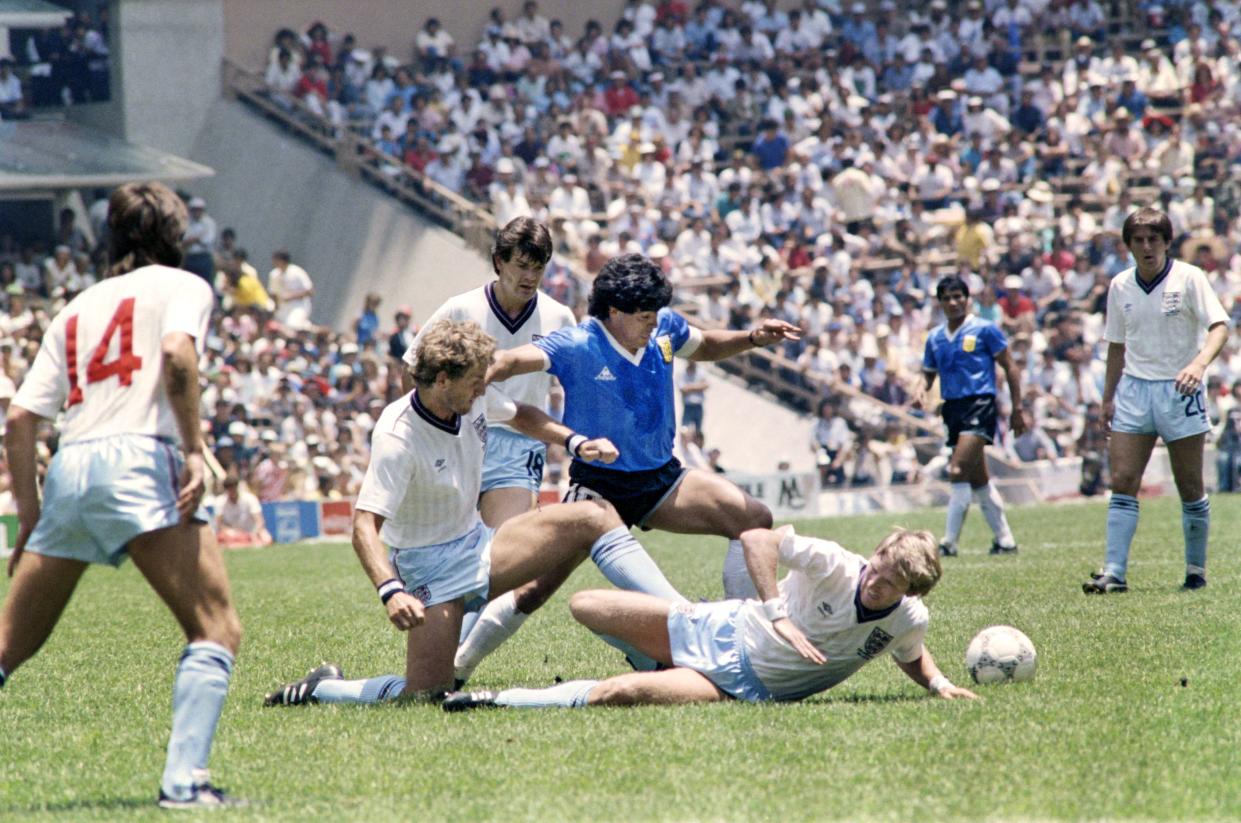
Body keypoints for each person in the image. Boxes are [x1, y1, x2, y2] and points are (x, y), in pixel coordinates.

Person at [264, 319, 676, 705]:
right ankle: (324, 688)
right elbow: (364, 526)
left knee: (594, 515)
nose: (482, 390)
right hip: (431, 570)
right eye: (475, 383)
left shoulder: (468, 397)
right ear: (442, 380)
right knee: (426, 694)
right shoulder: (397, 437)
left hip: (480, 544)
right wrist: (391, 591)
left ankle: (683, 621)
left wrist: (574, 443)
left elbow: (522, 416)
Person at [0, 182, 244, 808]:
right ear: (176, 236)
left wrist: (29, 517)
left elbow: (22, 420)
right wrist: (194, 450)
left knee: (6, 650)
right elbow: (176, 355)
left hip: (73, 465)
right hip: (140, 456)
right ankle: (184, 785)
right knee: (215, 629)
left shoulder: (75, 307)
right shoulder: (184, 285)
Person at [453, 253, 800, 685]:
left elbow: (705, 345)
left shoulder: (664, 328)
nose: (652, 324)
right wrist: (483, 373)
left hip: (661, 480)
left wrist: (750, 337)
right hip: (597, 490)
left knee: (753, 519)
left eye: (656, 315)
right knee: (534, 589)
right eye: (643, 317)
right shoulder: (578, 343)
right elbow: (514, 360)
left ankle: (738, 638)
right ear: (613, 312)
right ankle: (457, 669)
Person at [441, 524, 977, 710]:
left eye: (890, 582)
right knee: (586, 605)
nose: (874, 578)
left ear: (910, 592)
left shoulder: (909, 618)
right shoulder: (838, 563)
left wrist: (937, 682)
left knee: (617, 695)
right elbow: (758, 538)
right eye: (879, 562)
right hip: (720, 626)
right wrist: (777, 613)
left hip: (741, 687)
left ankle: (493, 700)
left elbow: (908, 649)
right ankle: (657, 661)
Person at [398, 219, 577, 675]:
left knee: (501, 556)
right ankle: (440, 662)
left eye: (538, 266)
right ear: (498, 262)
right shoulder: (459, 308)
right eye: (520, 265)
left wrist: (577, 441)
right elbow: (412, 369)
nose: (529, 276)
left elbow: (575, 386)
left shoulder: (560, 318)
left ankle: (451, 664)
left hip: (519, 445)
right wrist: (426, 428)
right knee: (450, 558)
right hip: (458, 439)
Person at [1083, 207, 1230, 594]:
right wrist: (1107, 398)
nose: (1147, 247)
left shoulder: (1190, 278)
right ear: (1128, 246)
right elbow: (1116, 345)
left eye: (1154, 239)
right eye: (1139, 240)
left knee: (1189, 485)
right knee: (1124, 480)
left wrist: (1199, 364)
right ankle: (1114, 572)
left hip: (1180, 390)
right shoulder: (1119, 286)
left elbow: (1219, 326)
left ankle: (1195, 570)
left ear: (1167, 242)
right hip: (1134, 390)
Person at [913, 275, 1026, 557]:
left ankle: (948, 543)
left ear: (967, 299)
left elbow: (1010, 367)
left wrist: (1018, 408)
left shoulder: (985, 330)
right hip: (952, 409)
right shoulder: (936, 337)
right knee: (978, 480)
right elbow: (928, 373)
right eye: (947, 298)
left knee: (957, 470)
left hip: (979, 405)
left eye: (958, 297)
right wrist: (920, 387)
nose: (953, 303)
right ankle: (1005, 540)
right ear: (940, 303)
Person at [213, 476, 272, 548]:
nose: (232, 491)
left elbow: (260, 521)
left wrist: (254, 533)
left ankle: (240, 545)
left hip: (250, 530)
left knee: (267, 538)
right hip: (232, 532)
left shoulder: (250, 498)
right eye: (229, 488)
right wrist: (229, 530)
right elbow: (218, 523)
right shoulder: (220, 501)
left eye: (233, 488)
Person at [268, 249, 315, 330]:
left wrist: (290, 296)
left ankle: (313, 329)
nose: (274, 262)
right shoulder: (274, 274)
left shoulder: (296, 272)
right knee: (276, 325)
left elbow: (310, 291)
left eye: (276, 260)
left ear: (282, 260)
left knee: (292, 325)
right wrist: (276, 307)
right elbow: (273, 293)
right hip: (282, 307)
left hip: (299, 305)